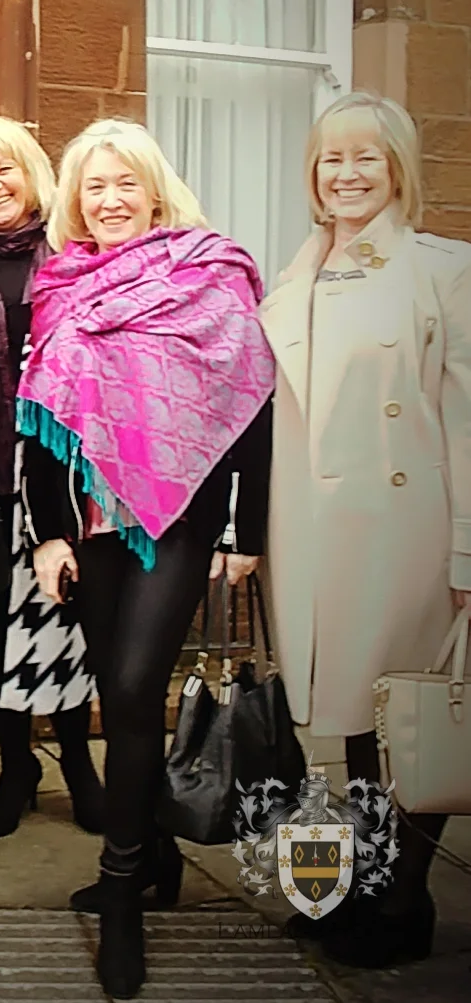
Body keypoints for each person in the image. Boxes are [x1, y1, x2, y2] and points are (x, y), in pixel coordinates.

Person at [21, 119, 272, 1000]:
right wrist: (47, 530)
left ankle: (121, 891)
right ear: (74, 200)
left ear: (155, 189)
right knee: (118, 700)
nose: (110, 200)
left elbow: (252, 400)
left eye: (124, 182)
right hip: (92, 525)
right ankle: (155, 853)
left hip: (176, 520)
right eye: (93, 186)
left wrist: (248, 533)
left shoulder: (204, 273)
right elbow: (39, 422)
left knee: (131, 690)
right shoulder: (57, 283)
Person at [262, 91, 471, 970]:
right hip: (310, 532)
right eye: (328, 161)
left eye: (365, 159)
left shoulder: (443, 269)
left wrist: (466, 549)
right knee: (347, 722)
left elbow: (466, 419)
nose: (344, 175)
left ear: (397, 170)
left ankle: (405, 899)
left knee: (406, 718)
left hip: (403, 528)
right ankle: (363, 882)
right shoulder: (294, 273)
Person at [0, 118, 102, 838]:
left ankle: (75, 765)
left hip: (62, 477)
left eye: (2, 169)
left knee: (65, 625)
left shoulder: (76, 254)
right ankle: (15, 767)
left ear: (31, 172)